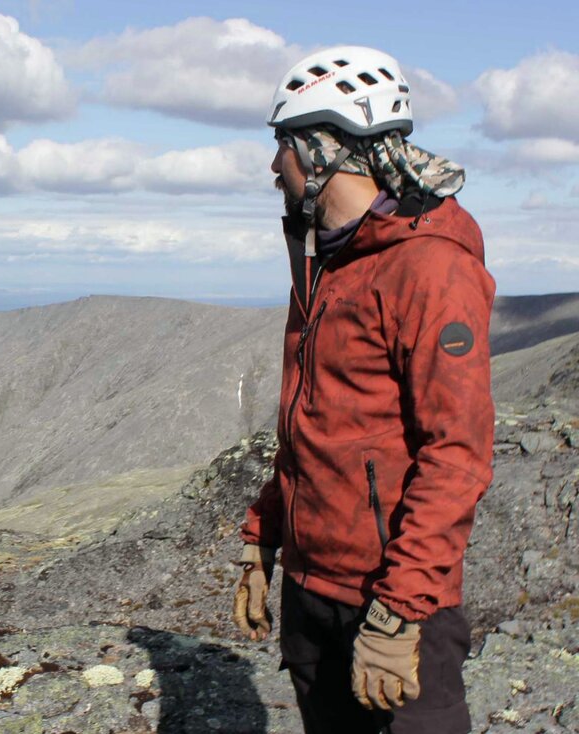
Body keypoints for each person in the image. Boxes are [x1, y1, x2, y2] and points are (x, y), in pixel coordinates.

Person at [233, 46, 495, 734]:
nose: (273, 167)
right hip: (313, 593)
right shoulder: (326, 263)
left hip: (391, 602)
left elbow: (457, 456)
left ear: (322, 151)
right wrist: (265, 539)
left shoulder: (429, 269)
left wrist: (399, 612)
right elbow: (315, 427)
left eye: (282, 146)